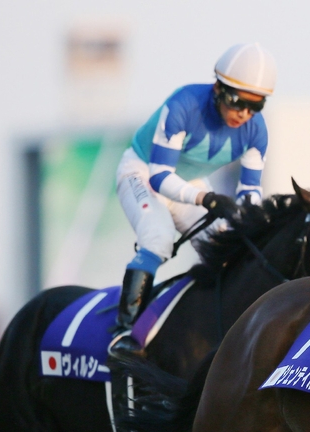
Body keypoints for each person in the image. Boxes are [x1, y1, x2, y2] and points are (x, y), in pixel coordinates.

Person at [109, 43, 277, 357]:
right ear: (218, 89)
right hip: (142, 172)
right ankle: (125, 331)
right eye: (237, 102)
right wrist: (208, 198)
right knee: (158, 238)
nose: (244, 113)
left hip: (189, 182)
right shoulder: (183, 104)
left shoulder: (257, 132)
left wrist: (249, 219)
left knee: (227, 247)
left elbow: (251, 192)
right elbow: (159, 176)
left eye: (255, 107)